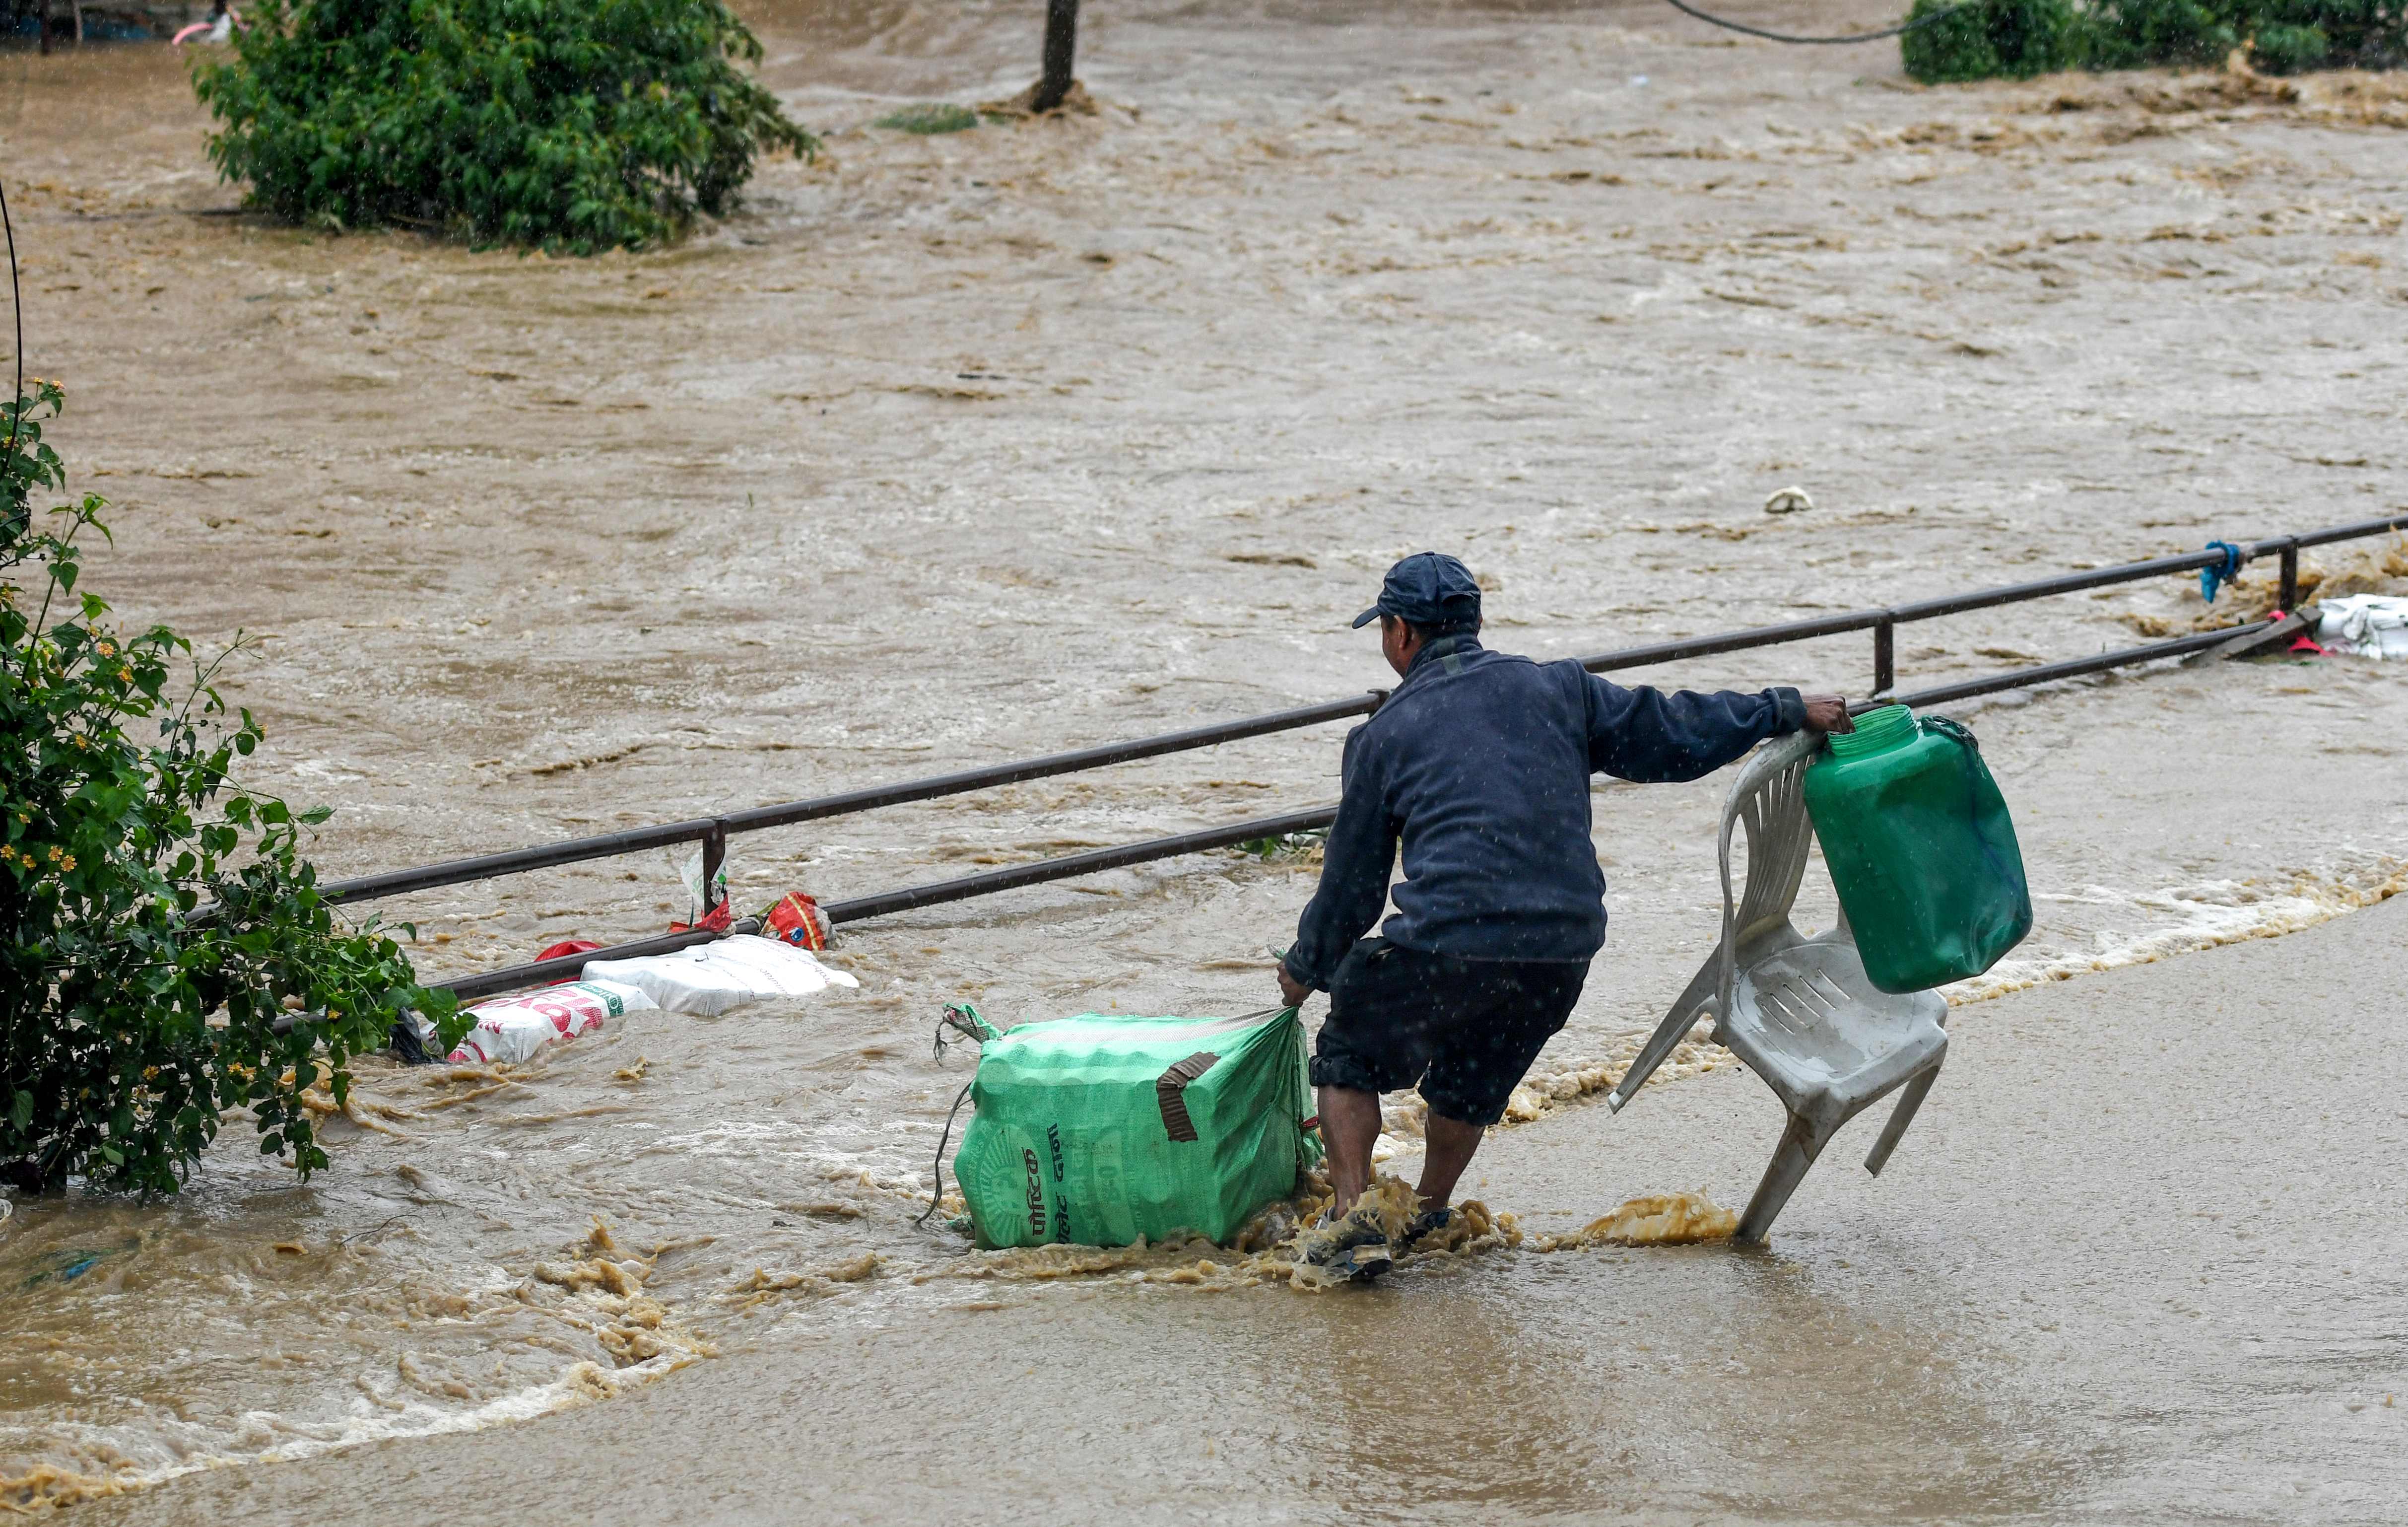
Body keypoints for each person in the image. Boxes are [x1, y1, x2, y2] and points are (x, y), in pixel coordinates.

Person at [1278, 552, 1853, 1281]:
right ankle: (1427, 1207)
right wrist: (1782, 706)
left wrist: (1304, 970)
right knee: (1474, 1076)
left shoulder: (1382, 736)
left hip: (1450, 944)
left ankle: (1353, 1219)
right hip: (1560, 948)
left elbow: (1353, 888)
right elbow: (1673, 735)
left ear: (1400, 636)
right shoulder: (1559, 689)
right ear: (1474, 625)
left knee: (1349, 1047)